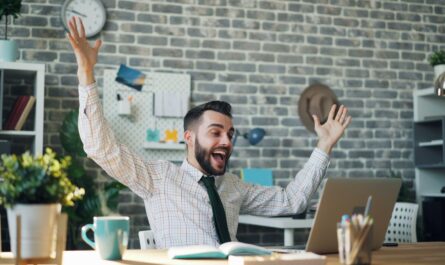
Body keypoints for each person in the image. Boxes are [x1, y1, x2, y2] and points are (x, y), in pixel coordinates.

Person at [67, 17, 352, 248]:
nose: (226, 141)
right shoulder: (158, 177)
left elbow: (292, 201)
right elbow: (100, 148)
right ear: (189, 138)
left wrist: (324, 144)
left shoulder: (234, 186)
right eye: (216, 132)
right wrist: (86, 74)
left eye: (230, 134)